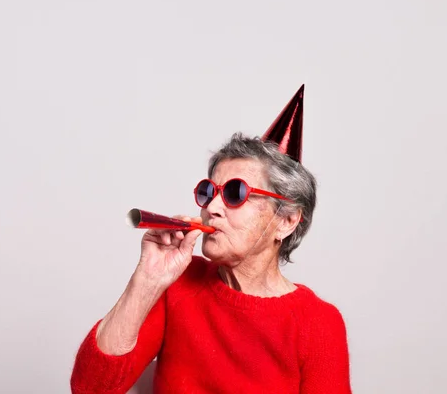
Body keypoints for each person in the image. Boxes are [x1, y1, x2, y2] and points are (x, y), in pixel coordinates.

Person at [70, 85, 352, 393]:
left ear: (285, 221)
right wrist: (148, 280)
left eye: (235, 193)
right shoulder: (178, 284)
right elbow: (90, 388)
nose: (211, 208)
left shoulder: (319, 323)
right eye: (209, 192)